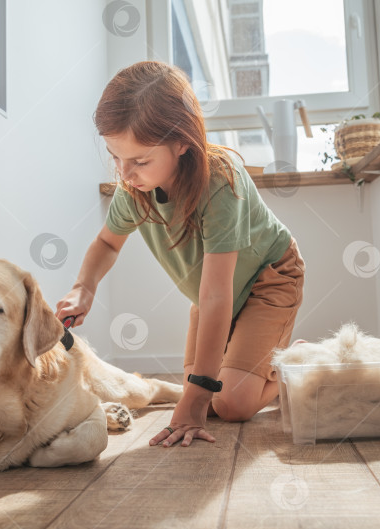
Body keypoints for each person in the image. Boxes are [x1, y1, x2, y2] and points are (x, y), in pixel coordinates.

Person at [55, 61, 305, 448]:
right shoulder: (133, 191)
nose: (124, 173)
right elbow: (107, 243)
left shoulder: (222, 180)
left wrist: (196, 395)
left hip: (267, 278)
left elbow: (216, 295)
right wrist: (83, 288)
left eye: (139, 161)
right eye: (115, 156)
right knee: (209, 400)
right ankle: (256, 368)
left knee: (231, 403)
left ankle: (296, 364)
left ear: (182, 142)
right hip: (211, 297)